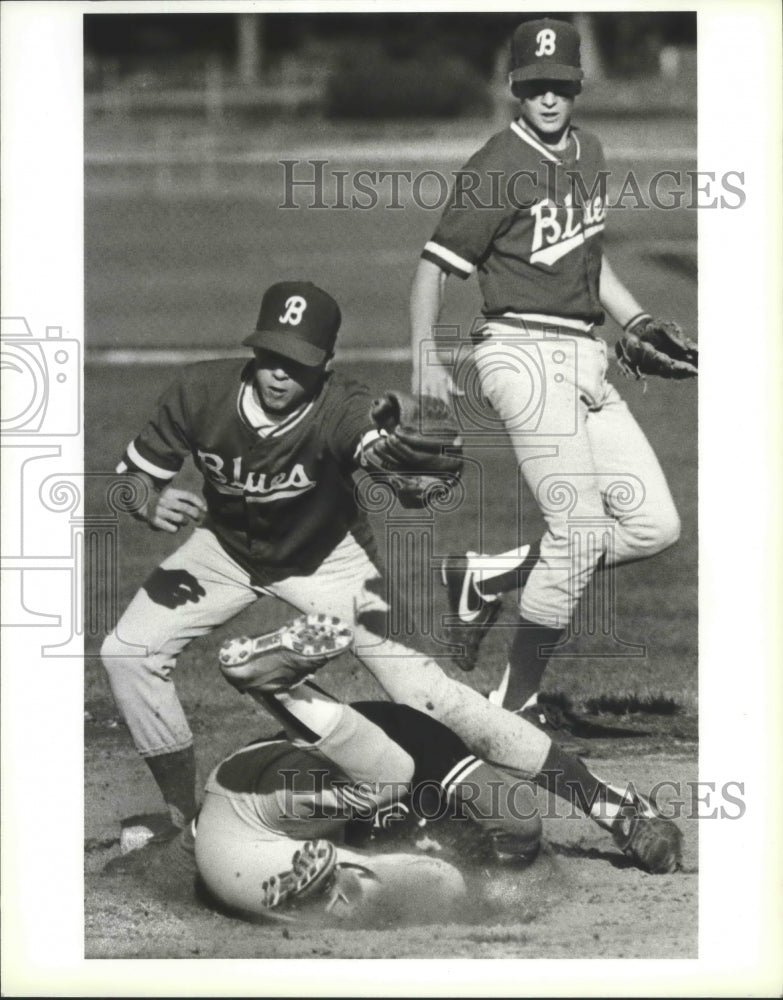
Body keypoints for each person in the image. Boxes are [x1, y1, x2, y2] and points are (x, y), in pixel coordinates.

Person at [100, 280, 680, 877]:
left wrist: (397, 439)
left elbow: (377, 432)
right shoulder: (201, 390)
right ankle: (179, 824)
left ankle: (613, 806)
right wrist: (147, 502)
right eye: (269, 356)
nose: (278, 375)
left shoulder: (338, 405)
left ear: (325, 365)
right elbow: (130, 478)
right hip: (221, 550)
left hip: (332, 561)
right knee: (127, 653)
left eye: (295, 363)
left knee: (433, 697)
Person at [409, 17, 694, 724]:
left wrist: (635, 321)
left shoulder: (588, 152)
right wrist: (424, 353)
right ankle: (513, 701)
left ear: (576, 88)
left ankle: (488, 575)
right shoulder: (495, 164)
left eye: (559, 86)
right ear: (512, 86)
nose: (547, 98)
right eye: (533, 86)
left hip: (585, 356)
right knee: (577, 531)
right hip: (518, 352)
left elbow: (588, 261)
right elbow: (432, 269)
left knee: (654, 526)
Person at [194, 617, 680, 923]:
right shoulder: (422, 745)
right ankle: (277, 685)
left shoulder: (417, 787)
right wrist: (497, 878)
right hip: (257, 807)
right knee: (401, 799)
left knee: (425, 878)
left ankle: (322, 879)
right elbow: (515, 819)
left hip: (236, 842)